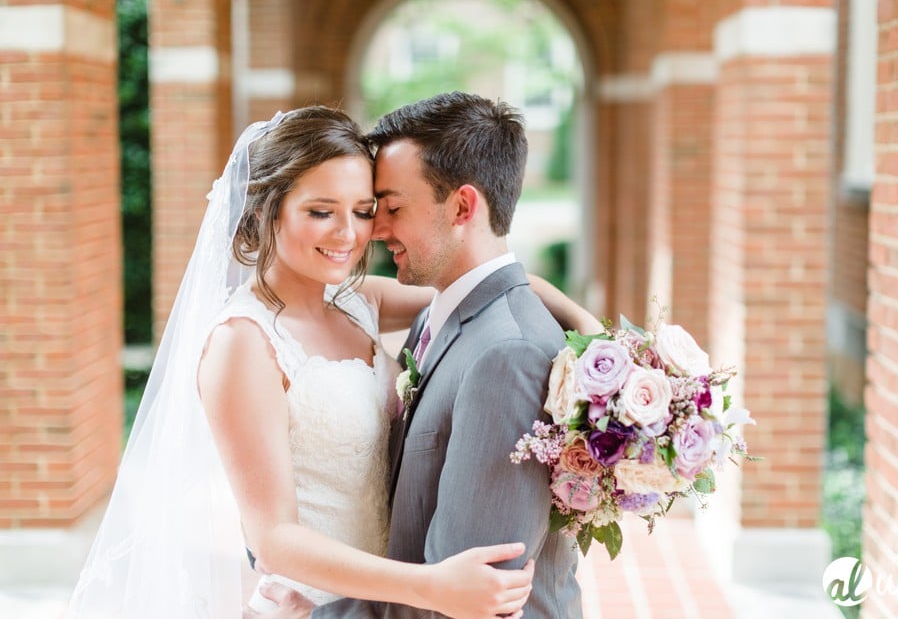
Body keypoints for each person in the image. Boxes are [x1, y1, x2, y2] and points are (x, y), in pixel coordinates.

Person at [68, 105, 595, 618]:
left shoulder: (358, 300)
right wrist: (430, 586)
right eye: (321, 212)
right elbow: (272, 537)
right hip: (322, 602)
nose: (349, 234)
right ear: (265, 210)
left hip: (391, 598)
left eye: (364, 211)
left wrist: (593, 336)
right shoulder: (243, 344)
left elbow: (477, 287)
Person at [263, 92, 586, 618]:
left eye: (390, 208)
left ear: (462, 207)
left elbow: (465, 599)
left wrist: (311, 614)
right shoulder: (439, 314)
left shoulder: (507, 355)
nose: (374, 230)